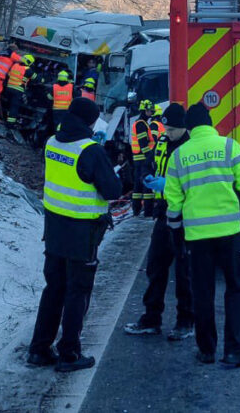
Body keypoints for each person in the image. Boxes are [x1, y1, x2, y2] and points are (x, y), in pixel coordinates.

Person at [27, 97, 124, 372]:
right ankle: (69, 353)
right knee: (77, 292)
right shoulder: (91, 151)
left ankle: (39, 349)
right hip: (83, 232)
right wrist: (106, 162)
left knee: (53, 288)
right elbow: (113, 191)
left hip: (54, 228)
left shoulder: (52, 142)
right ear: (92, 121)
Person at [165, 103, 240, 367]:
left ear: (189, 126)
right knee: (237, 288)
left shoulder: (179, 156)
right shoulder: (230, 146)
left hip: (197, 237)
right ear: (209, 122)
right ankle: (234, 350)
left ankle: (206, 349)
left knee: (202, 292)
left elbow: (173, 200)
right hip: (230, 233)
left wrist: (175, 232)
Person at [123, 104, 194, 340]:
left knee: (184, 272)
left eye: (173, 128)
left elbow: (195, 183)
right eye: (167, 127)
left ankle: (186, 321)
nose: (168, 132)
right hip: (164, 212)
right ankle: (151, 318)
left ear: (183, 126)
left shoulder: (191, 147)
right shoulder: (163, 141)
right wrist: (151, 177)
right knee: (155, 266)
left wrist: (169, 185)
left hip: (185, 215)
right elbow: (155, 161)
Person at [130, 100, 158, 216]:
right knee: (147, 186)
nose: (151, 112)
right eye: (149, 110)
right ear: (144, 110)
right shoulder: (141, 124)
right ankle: (148, 211)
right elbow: (143, 144)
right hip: (143, 159)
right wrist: (150, 158)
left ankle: (136, 210)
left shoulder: (141, 123)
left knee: (138, 186)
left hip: (138, 159)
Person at [4, 54, 36, 126]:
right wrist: (43, 80)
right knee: (14, 107)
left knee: (9, 104)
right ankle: (10, 124)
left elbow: (9, 75)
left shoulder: (15, 65)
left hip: (9, 88)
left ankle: (6, 118)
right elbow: (35, 78)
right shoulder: (27, 70)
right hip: (18, 90)